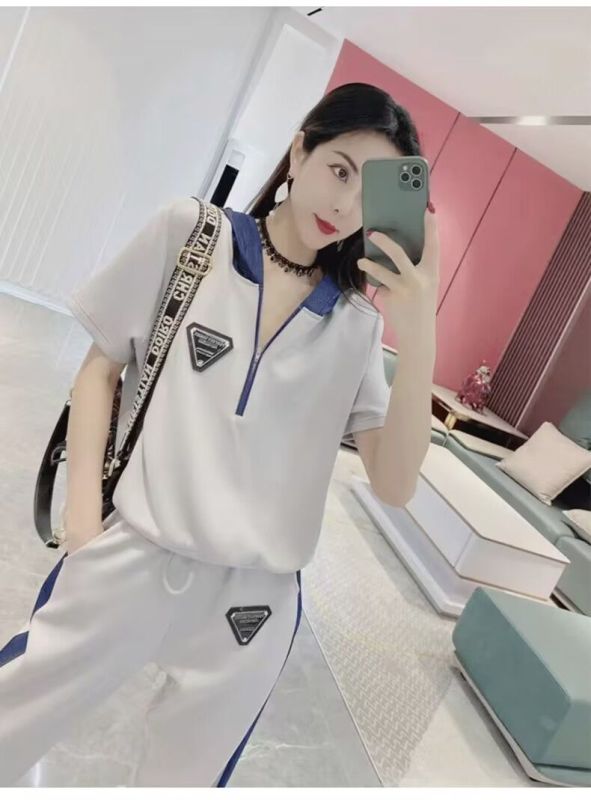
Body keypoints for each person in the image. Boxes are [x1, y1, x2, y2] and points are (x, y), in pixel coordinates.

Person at [0, 82, 425, 787]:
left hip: (251, 607)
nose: (346, 204)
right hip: (136, 552)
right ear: (301, 151)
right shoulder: (191, 234)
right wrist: (82, 525)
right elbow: (100, 370)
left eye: (369, 191)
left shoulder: (356, 326)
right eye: (339, 169)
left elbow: (395, 483)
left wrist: (420, 333)